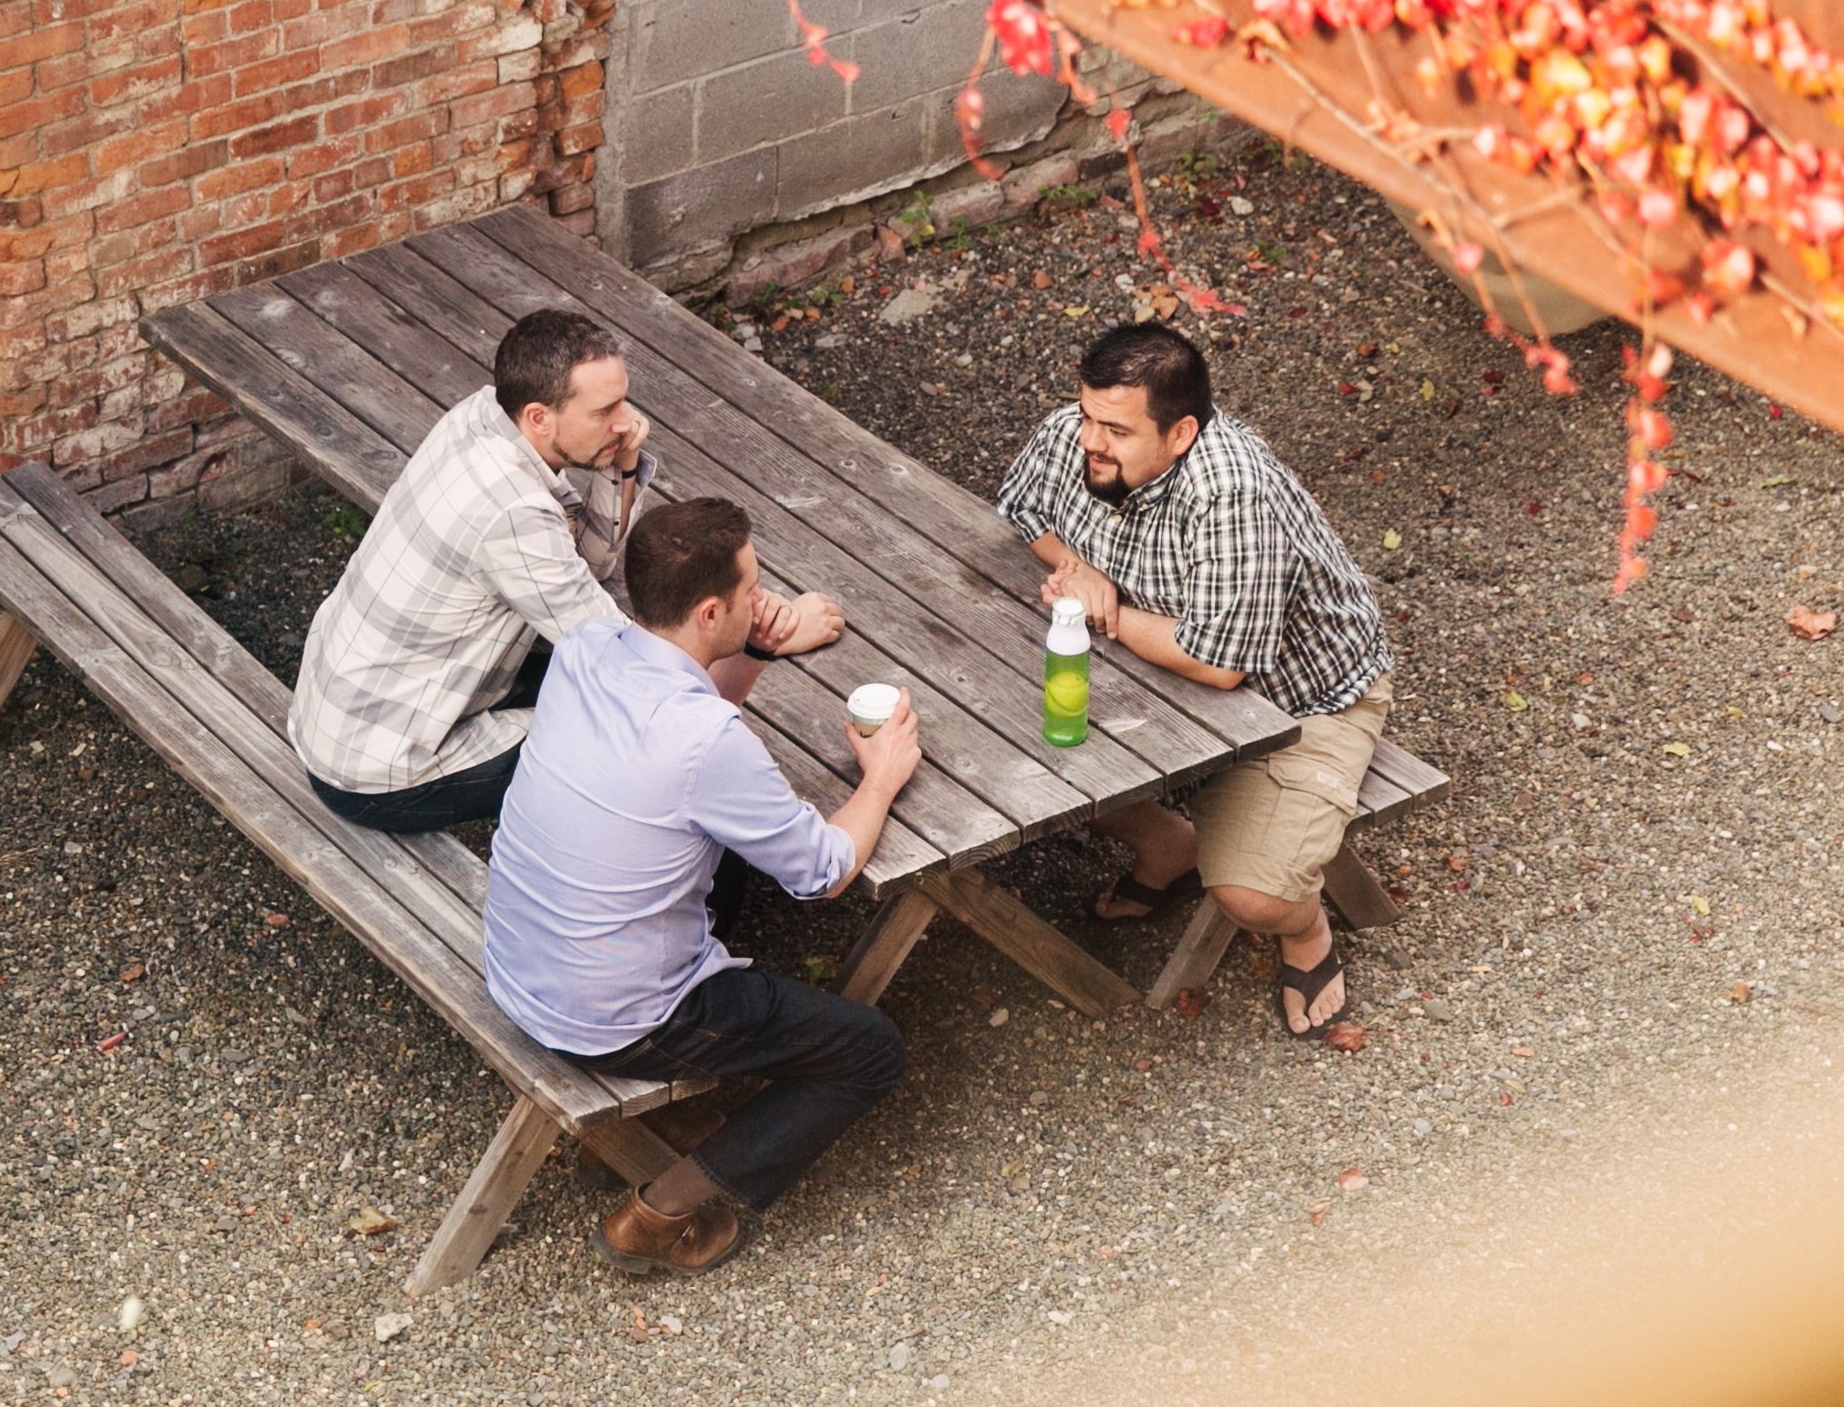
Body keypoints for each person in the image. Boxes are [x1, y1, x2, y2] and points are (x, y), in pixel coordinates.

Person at [483, 496, 923, 1276]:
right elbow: (822, 873)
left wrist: (754, 651)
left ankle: (703, 1104)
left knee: (718, 854)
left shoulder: (586, 647)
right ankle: (661, 1212)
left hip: (519, 966)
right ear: (711, 608)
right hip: (615, 1018)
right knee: (871, 1049)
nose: (765, 597)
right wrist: (882, 780)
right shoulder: (710, 744)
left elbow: (680, 740)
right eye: (753, 587)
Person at [288, 308, 844, 834]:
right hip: (381, 768)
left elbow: (592, 566)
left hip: (345, 711)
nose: (627, 424)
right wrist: (758, 638)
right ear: (539, 416)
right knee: (640, 756)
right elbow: (632, 678)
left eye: (624, 401)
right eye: (604, 413)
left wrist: (621, 462)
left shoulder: (483, 413)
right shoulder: (511, 511)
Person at [994, 323, 1392, 1037]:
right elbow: (1022, 510)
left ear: (1179, 434)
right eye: (1087, 415)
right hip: (1158, 665)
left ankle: (1307, 932)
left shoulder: (1232, 491)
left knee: (1252, 897)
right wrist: (1082, 572)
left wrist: (1106, 613)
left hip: (1296, 704)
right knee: (996, 735)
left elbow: (1218, 662)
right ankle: (1167, 843)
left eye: (1114, 429)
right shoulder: (1076, 432)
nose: (1089, 439)